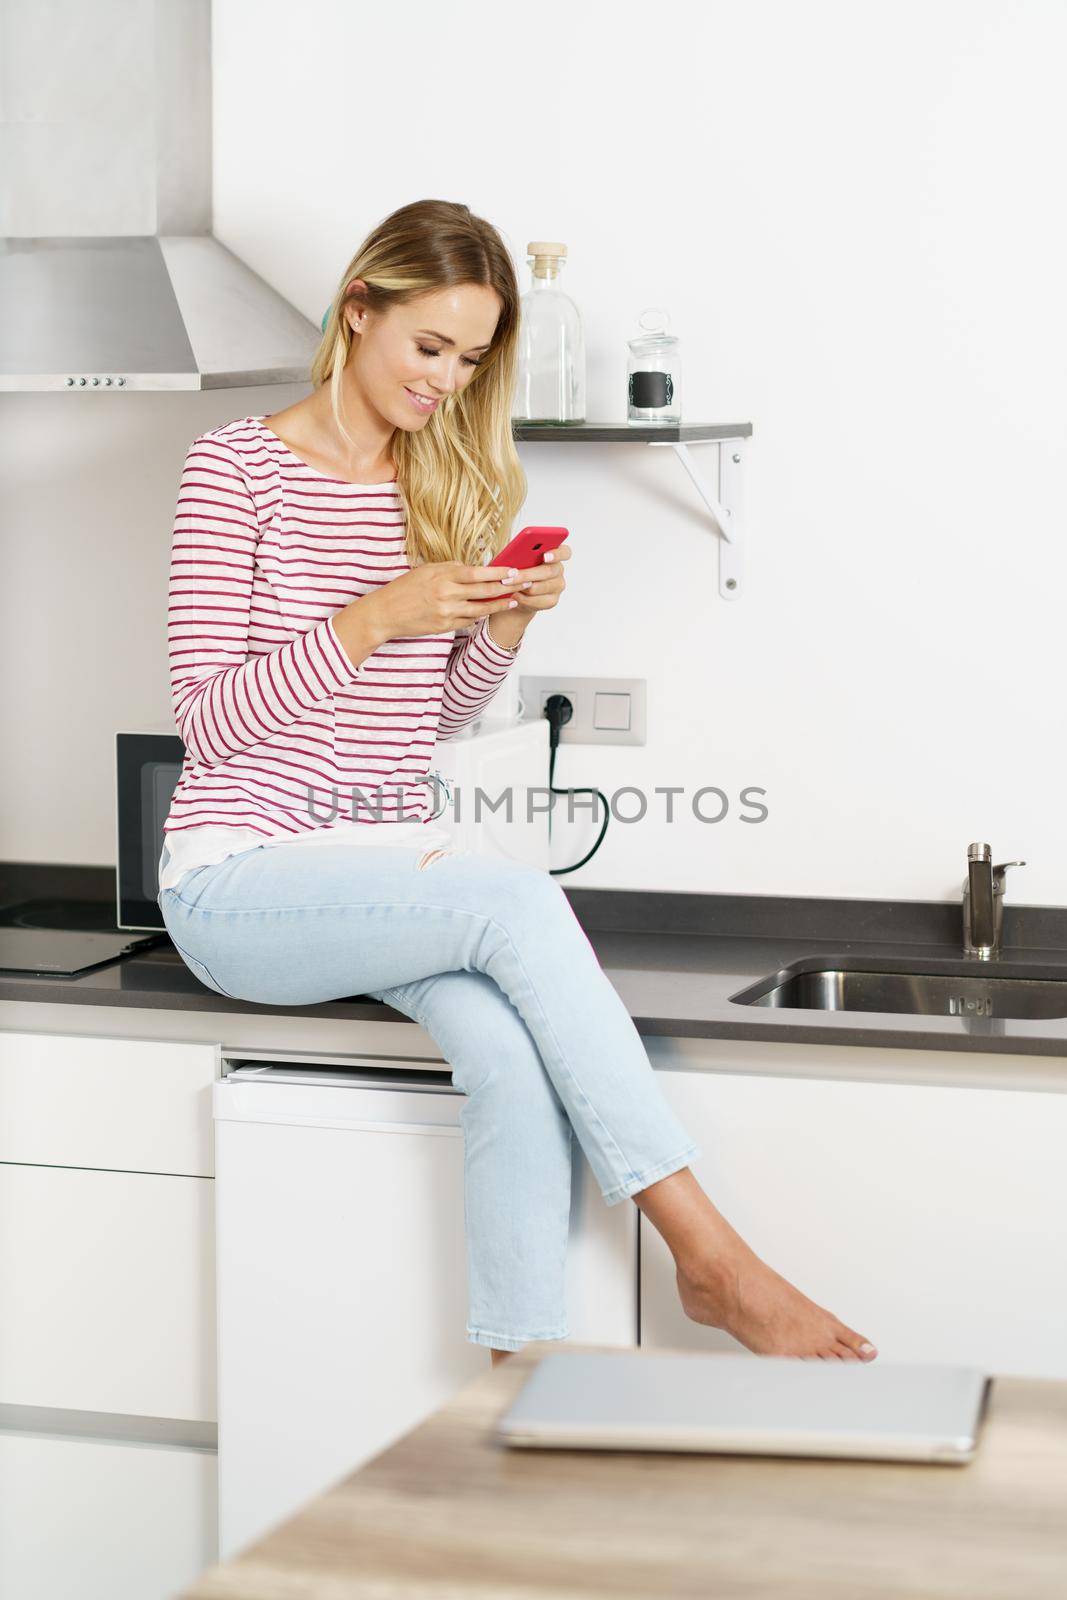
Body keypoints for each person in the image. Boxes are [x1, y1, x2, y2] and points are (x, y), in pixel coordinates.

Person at [158, 198, 877, 1368]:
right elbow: (210, 722)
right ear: (357, 312)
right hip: (237, 880)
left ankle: (516, 1371)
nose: (445, 380)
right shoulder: (232, 471)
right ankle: (711, 1258)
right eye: (426, 347)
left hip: (383, 866)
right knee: (519, 897)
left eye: (470, 358)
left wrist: (504, 627)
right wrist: (373, 614)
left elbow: (424, 719)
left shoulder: (439, 482)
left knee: (502, 1052)